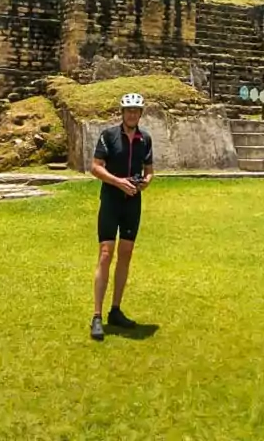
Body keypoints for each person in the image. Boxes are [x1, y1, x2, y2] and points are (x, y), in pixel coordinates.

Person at [89, 92, 154, 341]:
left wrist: (144, 183)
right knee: (106, 254)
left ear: (140, 114)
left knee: (126, 254)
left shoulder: (144, 139)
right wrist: (118, 182)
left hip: (132, 203)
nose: (132, 114)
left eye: (136, 111)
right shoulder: (108, 136)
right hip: (111, 200)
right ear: (122, 113)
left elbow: (149, 171)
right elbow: (95, 167)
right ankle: (96, 315)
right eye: (128, 110)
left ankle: (115, 310)